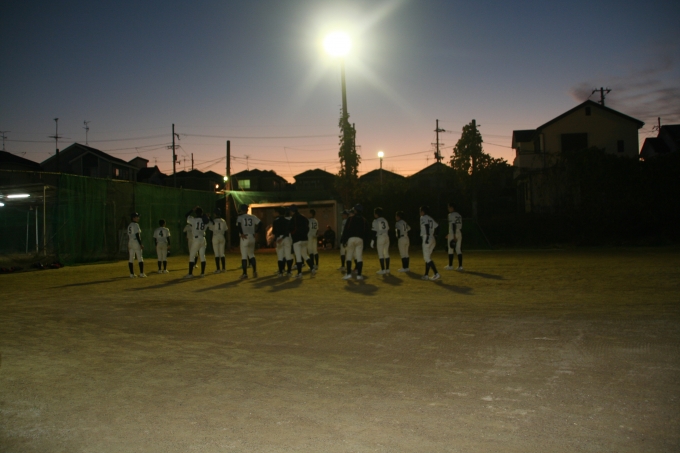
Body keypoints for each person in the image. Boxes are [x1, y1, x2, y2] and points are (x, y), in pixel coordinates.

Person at [340, 204, 367, 280]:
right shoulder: (364, 220)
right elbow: (366, 232)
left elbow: (346, 230)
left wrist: (344, 240)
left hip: (351, 239)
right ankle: (359, 275)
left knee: (349, 256)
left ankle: (348, 274)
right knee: (359, 257)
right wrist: (365, 243)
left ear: (355, 210)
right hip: (360, 239)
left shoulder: (350, 218)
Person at [236, 204, 261, 279]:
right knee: (251, 255)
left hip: (244, 237)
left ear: (242, 210)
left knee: (244, 256)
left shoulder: (240, 217)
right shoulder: (253, 216)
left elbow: (238, 226)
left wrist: (241, 233)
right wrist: (256, 232)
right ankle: (254, 271)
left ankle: (245, 274)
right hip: (252, 236)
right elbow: (261, 223)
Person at [184, 206, 209, 278]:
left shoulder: (193, 220)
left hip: (196, 239)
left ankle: (190, 274)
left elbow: (186, 215)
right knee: (202, 256)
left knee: (192, 256)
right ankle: (202, 273)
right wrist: (206, 216)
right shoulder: (204, 220)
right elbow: (207, 222)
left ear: (196, 213)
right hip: (203, 239)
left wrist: (192, 210)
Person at [289, 205, 314, 279]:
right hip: (305, 239)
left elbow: (290, 228)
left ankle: (299, 273)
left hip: (297, 239)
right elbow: (307, 227)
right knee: (305, 255)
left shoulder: (293, 218)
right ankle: (312, 268)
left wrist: (293, 234)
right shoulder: (304, 217)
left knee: (298, 257)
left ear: (292, 211)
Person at [419, 205, 441, 281]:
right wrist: (436, 236)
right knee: (427, 257)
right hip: (432, 238)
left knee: (426, 258)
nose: (420, 213)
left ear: (422, 212)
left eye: (420, 211)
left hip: (427, 237)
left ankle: (436, 273)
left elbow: (427, 226)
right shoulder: (430, 218)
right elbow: (438, 227)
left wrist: (427, 236)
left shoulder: (423, 217)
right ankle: (426, 275)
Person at [272, 207, 292, 277]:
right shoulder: (287, 221)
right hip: (286, 238)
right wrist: (283, 237)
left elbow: (275, 232)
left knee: (280, 256)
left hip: (279, 238)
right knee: (288, 256)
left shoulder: (275, 221)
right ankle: (289, 271)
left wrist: (275, 240)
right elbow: (288, 231)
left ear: (278, 213)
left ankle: (280, 272)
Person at [207, 208, 228, 273]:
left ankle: (218, 269)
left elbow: (211, 231)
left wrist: (210, 240)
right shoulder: (223, 221)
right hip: (222, 236)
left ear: (215, 214)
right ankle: (223, 268)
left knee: (216, 254)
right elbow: (226, 230)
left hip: (215, 236)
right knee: (222, 253)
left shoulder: (213, 221)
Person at [371, 207, 390, 275]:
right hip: (386, 236)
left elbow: (374, 231)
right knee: (386, 253)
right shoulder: (385, 220)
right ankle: (387, 269)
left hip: (380, 237)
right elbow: (388, 229)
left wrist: (372, 240)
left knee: (381, 254)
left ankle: (383, 269)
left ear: (376, 214)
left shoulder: (375, 221)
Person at [445, 202, 463, 271]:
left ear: (452, 208)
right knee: (458, 249)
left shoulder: (450, 215)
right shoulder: (459, 215)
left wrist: (453, 235)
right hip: (459, 232)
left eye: (449, 207)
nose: (448, 208)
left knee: (450, 249)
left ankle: (450, 266)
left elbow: (453, 225)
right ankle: (460, 266)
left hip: (453, 233)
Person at [127, 212, 146, 278]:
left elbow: (129, 235)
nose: (138, 218)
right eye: (137, 217)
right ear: (133, 218)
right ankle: (141, 273)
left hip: (130, 241)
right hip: (135, 242)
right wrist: (140, 244)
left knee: (131, 258)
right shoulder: (136, 225)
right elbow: (137, 235)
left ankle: (131, 274)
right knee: (140, 257)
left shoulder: (129, 225)